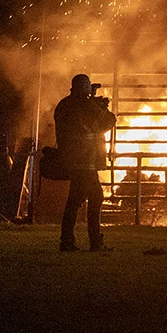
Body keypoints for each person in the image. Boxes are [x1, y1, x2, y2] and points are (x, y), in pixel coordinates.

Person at [52, 74, 116, 252]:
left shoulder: (64, 104)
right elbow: (110, 121)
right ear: (85, 86)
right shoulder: (87, 105)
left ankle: (68, 241)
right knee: (93, 197)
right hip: (86, 161)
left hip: (71, 160)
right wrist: (101, 106)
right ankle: (92, 242)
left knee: (75, 200)